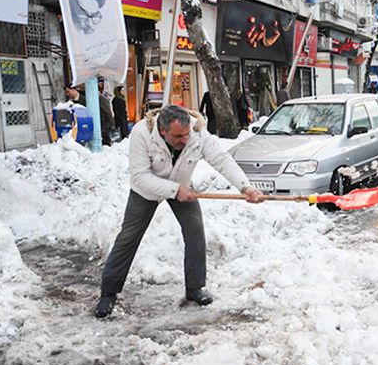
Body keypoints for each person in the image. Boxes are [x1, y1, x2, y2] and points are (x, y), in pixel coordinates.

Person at [94, 105, 264, 318]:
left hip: (182, 185)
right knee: (128, 237)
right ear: (162, 131)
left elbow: (221, 160)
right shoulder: (141, 133)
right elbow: (140, 177)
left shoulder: (198, 132)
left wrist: (245, 187)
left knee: (195, 232)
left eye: (186, 135)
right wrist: (174, 190)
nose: (185, 140)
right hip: (146, 190)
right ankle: (108, 293)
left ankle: (194, 288)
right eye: (178, 136)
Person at [98, 79, 114, 146]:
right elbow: (107, 111)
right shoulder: (102, 98)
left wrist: (112, 123)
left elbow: (108, 111)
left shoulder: (103, 98)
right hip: (103, 122)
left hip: (104, 122)